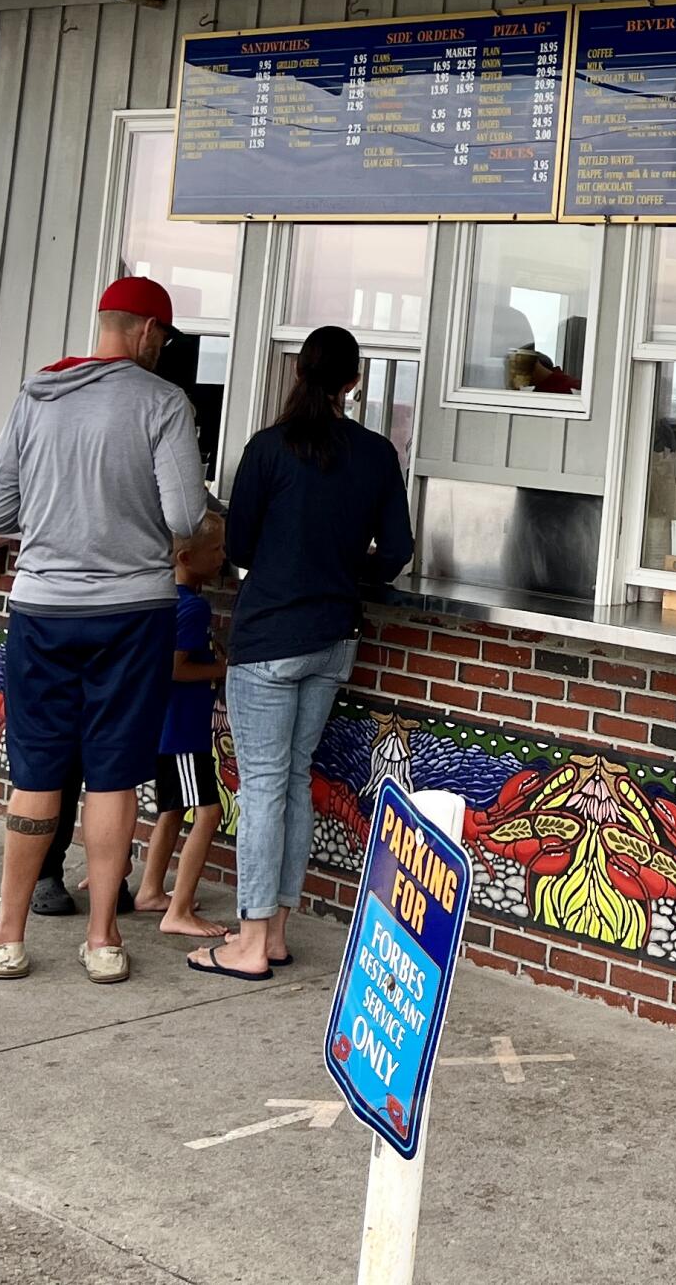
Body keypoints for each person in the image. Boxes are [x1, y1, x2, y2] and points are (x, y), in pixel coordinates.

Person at [0, 275, 217, 985]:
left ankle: (7, 933)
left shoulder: (36, 393)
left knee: (36, 772)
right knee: (112, 776)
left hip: (42, 609)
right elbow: (186, 519)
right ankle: (103, 939)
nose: (161, 349)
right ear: (144, 332)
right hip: (134, 613)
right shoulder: (163, 402)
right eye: (160, 337)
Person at [191, 324, 413, 981]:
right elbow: (396, 554)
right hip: (333, 639)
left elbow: (238, 550)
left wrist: (292, 562)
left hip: (268, 640)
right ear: (354, 381)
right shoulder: (376, 455)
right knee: (291, 781)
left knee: (263, 786)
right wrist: (345, 573)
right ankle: (276, 931)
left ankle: (250, 942)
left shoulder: (267, 449)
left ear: (298, 372)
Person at [133, 548, 228, 939]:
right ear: (188, 556)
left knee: (172, 810)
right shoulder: (193, 608)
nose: (222, 556)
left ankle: (151, 890)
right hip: (183, 730)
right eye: (217, 549)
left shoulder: (163, 597)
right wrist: (224, 667)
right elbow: (176, 667)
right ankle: (179, 909)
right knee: (209, 812)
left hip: (167, 726)